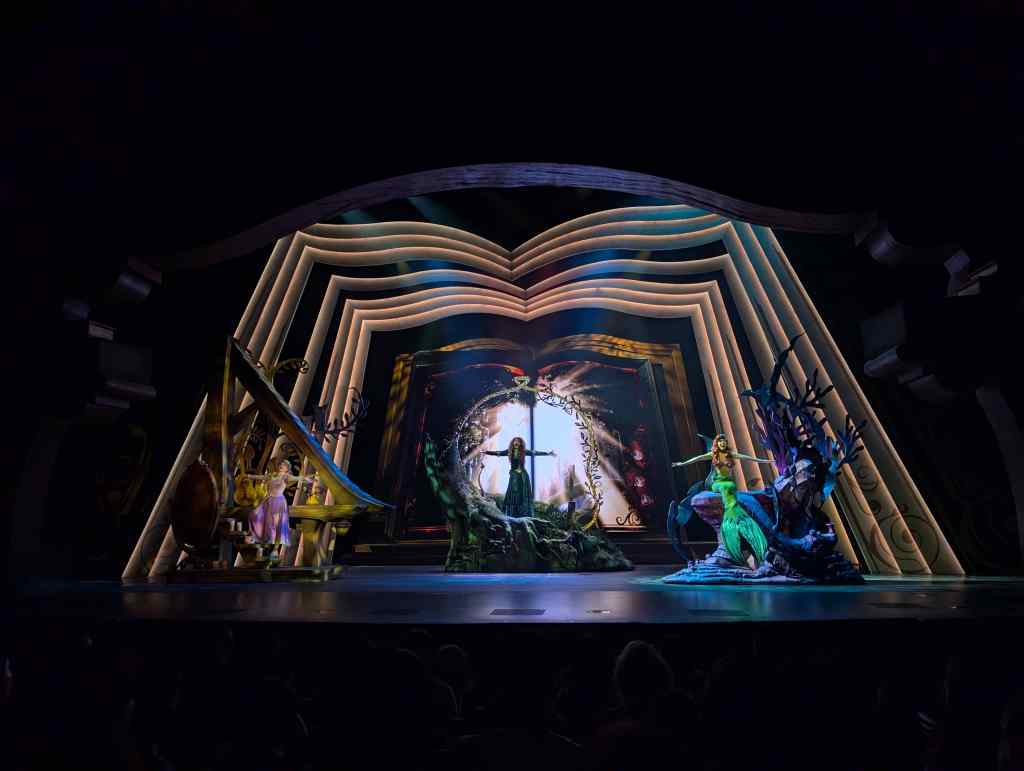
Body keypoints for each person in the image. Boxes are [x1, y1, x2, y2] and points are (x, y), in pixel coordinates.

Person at [673, 434, 774, 565]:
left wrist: (766, 461)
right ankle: (733, 525)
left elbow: (748, 457)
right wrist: (682, 464)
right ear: (717, 444)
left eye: (724, 442)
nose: (722, 444)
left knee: (732, 487)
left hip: (728, 482)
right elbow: (698, 458)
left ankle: (748, 534)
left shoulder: (730, 454)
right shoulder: (713, 455)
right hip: (717, 483)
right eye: (720, 442)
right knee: (727, 488)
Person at [244, 458, 314, 546]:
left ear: (287, 469)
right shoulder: (272, 475)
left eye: (284, 465)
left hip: (278, 502)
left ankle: (271, 542)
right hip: (268, 500)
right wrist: (249, 476)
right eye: (281, 464)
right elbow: (260, 477)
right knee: (254, 515)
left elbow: (298, 478)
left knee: (273, 523)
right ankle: (258, 536)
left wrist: (306, 479)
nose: (281, 465)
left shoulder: (286, 476)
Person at [483, 437, 555, 518]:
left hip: (523, 475)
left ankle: (524, 513)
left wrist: (548, 453)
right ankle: (513, 513)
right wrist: (486, 452)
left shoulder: (523, 451)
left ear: (520, 443)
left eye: (518, 441)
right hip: (514, 475)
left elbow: (535, 452)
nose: (516, 443)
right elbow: (498, 453)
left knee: (523, 492)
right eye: (515, 441)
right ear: (513, 443)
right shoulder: (509, 451)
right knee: (514, 492)